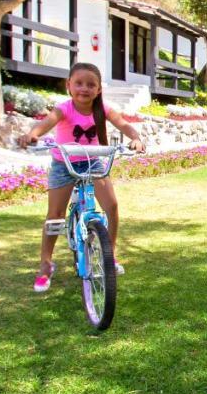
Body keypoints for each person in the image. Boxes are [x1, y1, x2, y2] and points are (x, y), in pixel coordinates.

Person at [18, 62, 146, 292]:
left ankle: (110, 256)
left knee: (112, 206)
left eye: (90, 84)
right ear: (69, 85)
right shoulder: (64, 109)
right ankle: (45, 264)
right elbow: (46, 124)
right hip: (63, 163)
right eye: (78, 83)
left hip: (92, 161)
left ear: (98, 90)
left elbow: (125, 125)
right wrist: (32, 135)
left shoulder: (104, 109)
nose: (84, 88)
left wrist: (136, 138)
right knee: (55, 216)